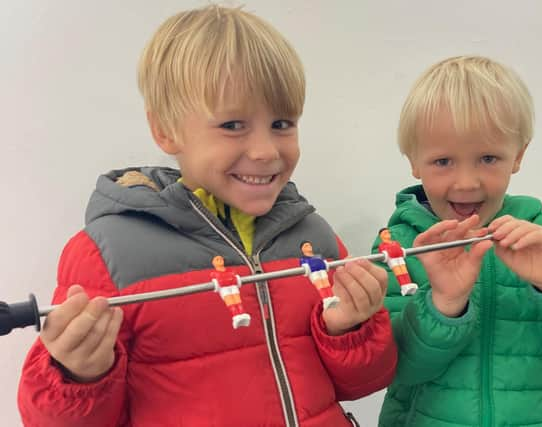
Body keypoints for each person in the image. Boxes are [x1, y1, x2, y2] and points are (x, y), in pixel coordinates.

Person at [17, 5, 396, 426]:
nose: (266, 151)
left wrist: (349, 329)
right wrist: (76, 374)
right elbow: (58, 420)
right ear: (165, 130)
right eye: (233, 125)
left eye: (282, 123)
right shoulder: (108, 256)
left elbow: (362, 382)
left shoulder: (314, 237)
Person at [373, 55, 542, 426]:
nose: (467, 182)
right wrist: (444, 304)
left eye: (487, 158)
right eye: (443, 161)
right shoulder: (399, 247)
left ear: (518, 155)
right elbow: (392, 368)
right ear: (413, 162)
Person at [210, 255, 250, 328]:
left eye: (221, 259)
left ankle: (242, 314)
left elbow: (235, 278)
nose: (220, 260)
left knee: (238, 302)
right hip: (224, 289)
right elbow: (218, 282)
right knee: (231, 303)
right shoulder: (214, 273)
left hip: (233, 287)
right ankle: (236, 316)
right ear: (213, 263)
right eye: (217, 259)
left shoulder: (231, 270)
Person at [299, 241, 340, 309]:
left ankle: (332, 297)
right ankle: (326, 299)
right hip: (314, 273)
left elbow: (324, 262)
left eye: (309, 245)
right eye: (306, 246)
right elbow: (304, 268)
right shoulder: (303, 259)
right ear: (302, 249)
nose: (309, 247)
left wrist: (325, 265)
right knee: (320, 285)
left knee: (326, 284)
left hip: (322, 271)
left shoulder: (318, 256)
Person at [376, 227, 417, 296]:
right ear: (381, 236)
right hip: (392, 260)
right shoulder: (382, 245)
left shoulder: (395, 243)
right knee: (399, 272)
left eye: (388, 232)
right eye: (385, 233)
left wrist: (401, 251)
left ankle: (409, 284)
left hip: (400, 258)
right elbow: (384, 254)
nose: (388, 234)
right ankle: (404, 286)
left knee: (404, 271)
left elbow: (400, 250)